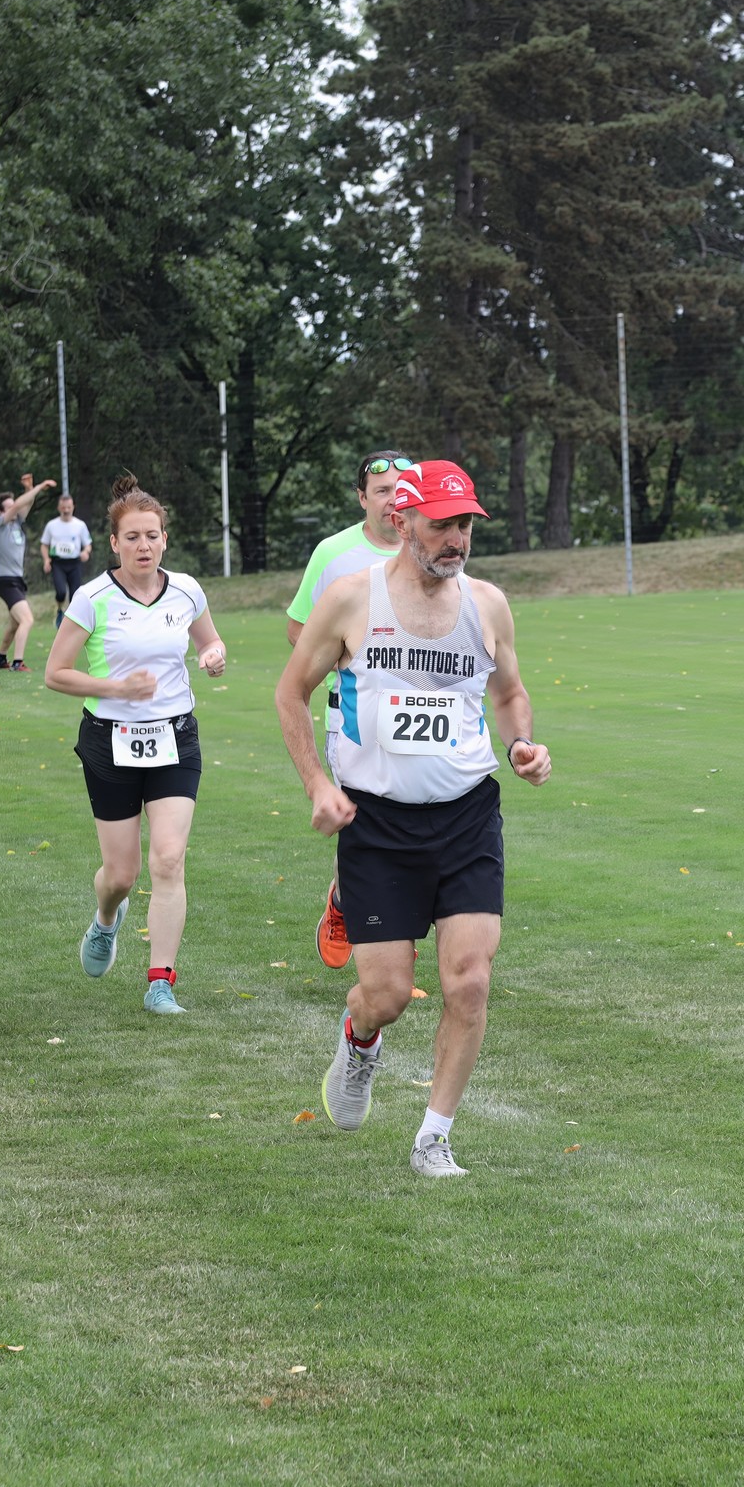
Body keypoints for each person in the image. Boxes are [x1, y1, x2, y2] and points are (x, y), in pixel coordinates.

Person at [274, 459, 551, 1179]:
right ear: (402, 521)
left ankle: (434, 1136)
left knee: (469, 981)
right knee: (388, 995)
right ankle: (359, 1039)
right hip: (377, 825)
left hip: (466, 816)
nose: (457, 539)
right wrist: (317, 785)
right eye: (442, 525)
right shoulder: (350, 600)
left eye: (466, 525)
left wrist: (521, 744)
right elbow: (291, 693)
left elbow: (509, 694)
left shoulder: (487, 605)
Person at [45, 474, 227, 1016]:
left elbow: (209, 639)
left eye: (152, 536)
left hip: (175, 736)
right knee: (121, 876)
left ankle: (160, 982)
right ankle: (106, 919)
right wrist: (116, 688)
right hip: (110, 742)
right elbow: (56, 673)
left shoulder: (187, 590)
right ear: (115, 543)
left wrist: (213, 655)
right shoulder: (93, 598)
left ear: (164, 539)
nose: (143, 546)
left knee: (169, 859)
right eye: (133, 537)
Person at [289, 450, 412, 970]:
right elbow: (298, 629)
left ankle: (375, 925)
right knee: (368, 829)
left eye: (401, 490)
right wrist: (343, 653)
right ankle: (350, 913)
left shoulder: (430, 545)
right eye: (381, 491)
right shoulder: (334, 553)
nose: (393, 500)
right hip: (354, 718)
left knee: (416, 829)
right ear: (362, 498)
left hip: (423, 717)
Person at [0, 474, 52, 671]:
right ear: (1, 512)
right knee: (27, 619)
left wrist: (29, 489)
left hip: (17, 580)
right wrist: (40, 486)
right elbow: (19, 504)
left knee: (15, 624)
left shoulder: (17, 523)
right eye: (9, 506)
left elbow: (25, 504)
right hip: (5, 581)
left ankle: (0, 658)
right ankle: (17, 663)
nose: (15, 508)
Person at [39, 492, 92, 628]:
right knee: (61, 592)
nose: (66, 510)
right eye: (63, 507)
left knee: (75, 595)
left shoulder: (80, 525)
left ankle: (70, 621)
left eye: (69, 507)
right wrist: (46, 560)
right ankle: (59, 609)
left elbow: (88, 544)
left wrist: (85, 552)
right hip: (58, 563)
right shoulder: (51, 525)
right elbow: (44, 545)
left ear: (73, 507)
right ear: (59, 508)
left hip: (74, 563)